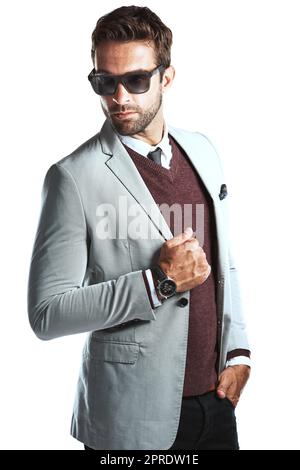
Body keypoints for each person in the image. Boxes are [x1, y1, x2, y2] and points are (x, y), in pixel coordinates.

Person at [27, 5, 251, 450]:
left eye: (136, 80)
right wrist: (158, 283)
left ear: (166, 78)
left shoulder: (203, 152)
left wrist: (238, 351)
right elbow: (46, 314)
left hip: (216, 403)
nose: (119, 97)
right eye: (104, 82)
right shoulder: (72, 177)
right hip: (129, 418)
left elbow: (223, 260)